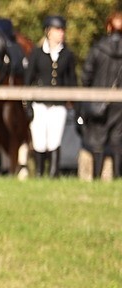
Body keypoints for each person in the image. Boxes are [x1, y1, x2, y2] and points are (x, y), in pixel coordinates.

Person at [25, 15, 77, 178]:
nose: (60, 33)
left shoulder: (67, 55)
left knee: (54, 140)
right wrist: (27, 104)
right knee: (39, 140)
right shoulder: (37, 53)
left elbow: (71, 81)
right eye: (57, 30)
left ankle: (54, 173)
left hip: (58, 104)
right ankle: (40, 174)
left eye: (62, 30)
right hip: (39, 104)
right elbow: (28, 80)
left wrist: (73, 102)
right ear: (48, 32)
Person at [81, 12, 122, 180]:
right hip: (119, 105)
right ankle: (117, 176)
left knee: (97, 142)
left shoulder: (98, 49)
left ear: (108, 27)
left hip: (98, 101)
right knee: (117, 141)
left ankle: (96, 176)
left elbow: (86, 76)